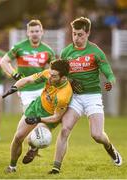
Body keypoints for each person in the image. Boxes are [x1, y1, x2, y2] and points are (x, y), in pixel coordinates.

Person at [49, 17, 122, 174]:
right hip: (74, 97)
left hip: (92, 96)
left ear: (88, 33)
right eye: (74, 34)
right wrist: (69, 80)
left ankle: (110, 148)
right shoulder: (66, 52)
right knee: (64, 130)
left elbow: (110, 74)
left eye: (80, 34)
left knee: (96, 135)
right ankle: (56, 167)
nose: (77, 38)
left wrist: (110, 82)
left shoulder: (95, 52)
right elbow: (60, 75)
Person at [2, 60, 72, 173]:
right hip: (36, 107)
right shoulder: (48, 74)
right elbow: (28, 79)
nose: (50, 77)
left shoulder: (64, 95)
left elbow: (56, 117)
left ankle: (33, 147)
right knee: (18, 137)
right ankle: (12, 167)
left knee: (32, 139)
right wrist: (14, 87)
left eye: (54, 76)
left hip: (49, 117)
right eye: (50, 74)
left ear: (63, 78)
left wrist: (38, 119)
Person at [0, 19, 55, 112]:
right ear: (27, 33)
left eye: (37, 31)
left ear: (42, 32)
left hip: (42, 88)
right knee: (29, 115)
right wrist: (13, 74)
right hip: (25, 88)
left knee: (41, 117)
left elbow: (55, 70)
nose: (34, 34)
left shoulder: (48, 51)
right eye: (32, 31)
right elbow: (4, 61)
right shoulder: (19, 47)